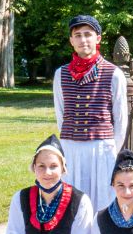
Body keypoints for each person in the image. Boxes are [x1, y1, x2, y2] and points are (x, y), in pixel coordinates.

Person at [53, 14, 128, 207]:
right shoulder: (61, 74)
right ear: (71, 40)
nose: (83, 39)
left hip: (101, 146)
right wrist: (71, 136)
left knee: (102, 200)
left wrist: (111, 148)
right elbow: (60, 113)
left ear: (98, 38)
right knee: (72, 201)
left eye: (88, 34)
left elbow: (120, 118)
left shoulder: (113, 73)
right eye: (77, 35)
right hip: (71, 146)